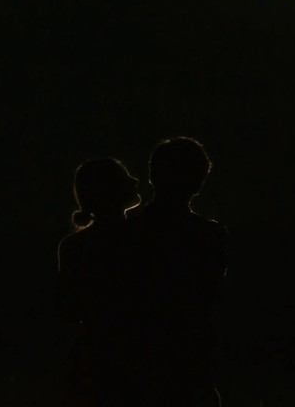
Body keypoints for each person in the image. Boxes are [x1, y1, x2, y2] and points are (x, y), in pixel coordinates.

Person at [127, 137, 228, 407]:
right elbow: (212, 296)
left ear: (153, 176)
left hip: (138, 352)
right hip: (191, 352)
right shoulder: (210, 235)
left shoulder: (128, 231)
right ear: (199, 182)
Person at [57, 158, 142, 406]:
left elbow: (68, 308)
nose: (135, 180)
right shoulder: (142, 238)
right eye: (124, 177)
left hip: (91, 357)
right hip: (134, 353)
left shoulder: (73, 246)